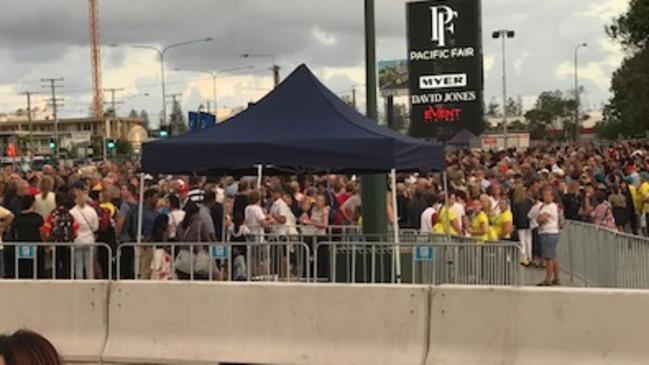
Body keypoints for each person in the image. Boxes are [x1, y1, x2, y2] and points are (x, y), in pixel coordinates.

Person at [42, 193, 78, 279]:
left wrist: (48, 242)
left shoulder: (53, 215)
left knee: (56, 266)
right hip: (67, 245)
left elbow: (46, 231)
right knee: (67, 265)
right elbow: (76, 231)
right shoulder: (70, 215)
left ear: (55, 202)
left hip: (56, 245)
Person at [11, 195, 44, 278]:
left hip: (21, 249)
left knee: (22, 273)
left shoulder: (17, 219)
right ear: (33, 203)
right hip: (37, 248)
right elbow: (41, 233)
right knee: (36, 273)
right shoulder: (38, 218)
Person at [69, 190, 99, 279]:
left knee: (78, 265)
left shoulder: (72, 211)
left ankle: (80, 284)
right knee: (89, 265)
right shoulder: (91, 211)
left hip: (77, 240)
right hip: (89, 239)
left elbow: (72, 228)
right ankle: (90, 284)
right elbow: (95, 227)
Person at [536, 187, 561, 286]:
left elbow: (542, 219)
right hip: (547, 232)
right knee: (553, 256)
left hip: (549, 232)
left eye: (547, 195)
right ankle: (556, 277)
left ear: (552, 196)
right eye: (544, 195)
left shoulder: (551, 206)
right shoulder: (544, 206)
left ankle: (548, 278)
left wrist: (539, 219)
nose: (545, 197)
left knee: (548, 257)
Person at [114, 184, 138, 279]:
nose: (121, 192)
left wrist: (117, 234)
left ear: (130, 192)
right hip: (134, 237)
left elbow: (121, 221)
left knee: (125, 263)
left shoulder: (125, 206)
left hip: (125, 238)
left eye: (124, 189)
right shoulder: (137, 205)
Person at [512, 187, 534, 266]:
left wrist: (514, 223)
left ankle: (523, 258)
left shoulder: (516, 202)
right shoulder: (529, 201)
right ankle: (530, 257)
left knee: (522, 241)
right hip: (528, 222)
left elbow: (515, 214)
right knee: (529, 240)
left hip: (520, 223)